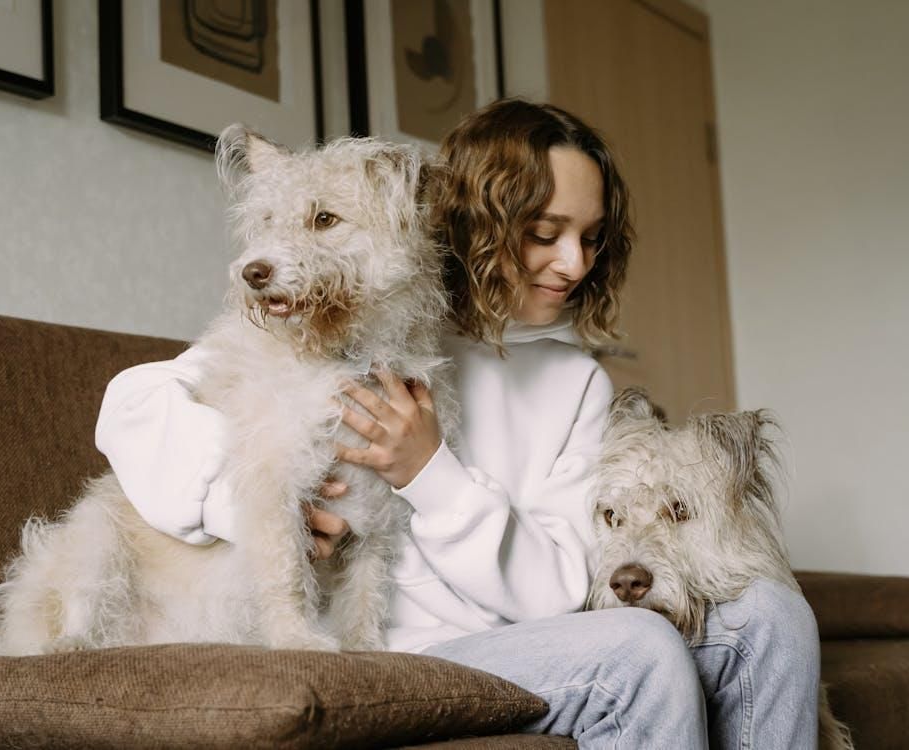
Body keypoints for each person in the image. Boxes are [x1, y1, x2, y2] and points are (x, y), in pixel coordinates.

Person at [94, 99, 820, 748]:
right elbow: (134, 406)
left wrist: (427, 471)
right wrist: (262, 513)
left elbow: (559, 589)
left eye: (591, 238)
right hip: (397, 646)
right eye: (543, 232)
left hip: (530, 640)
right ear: (475, 220)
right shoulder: (361, 317)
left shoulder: (575, 383)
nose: (571, 264)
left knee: (770, 616)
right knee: (638, 652)